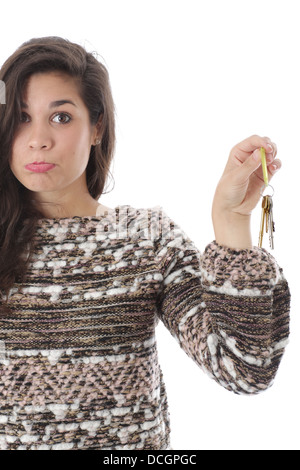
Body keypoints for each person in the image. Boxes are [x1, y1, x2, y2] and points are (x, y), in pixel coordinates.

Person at [0, 37, 290, 451]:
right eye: (21, 117)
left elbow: (245, 368)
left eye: (61, 117)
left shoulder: (146, 238)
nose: (37, 139)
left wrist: (232, 221)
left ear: (97, 127)